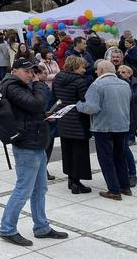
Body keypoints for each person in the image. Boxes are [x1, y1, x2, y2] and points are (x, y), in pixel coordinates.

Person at [0, 58, 68, 246]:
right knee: (23, 189)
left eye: (32, 71)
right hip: (26, 145)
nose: (31, 74)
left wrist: (46, 116)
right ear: (14, 71)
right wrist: (39, 84)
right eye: (27, 71)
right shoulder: (12, 87)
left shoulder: (24, 85)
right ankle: (7, 229)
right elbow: (37, 104)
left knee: (40, 189)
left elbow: (31, 110)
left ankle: (42, 227)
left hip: (36, 141)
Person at [76, 60, 132, 200]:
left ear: (100, 71)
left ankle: (114, 190)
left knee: (106, 159)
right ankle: (125, 186)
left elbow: (91, 108)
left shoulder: (97, 85)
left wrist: (78, 105)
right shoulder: (125, 84)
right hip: (123, 125)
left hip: (103, 127)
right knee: (120, 156)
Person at [51, 56, 92, 194]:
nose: (84, 70)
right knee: (79, 152)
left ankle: (70, 179)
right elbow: (84, 100)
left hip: (64, 116)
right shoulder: (79, 81)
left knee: (67, 150)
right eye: (82, 67)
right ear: (75, 67)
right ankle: (76, 183)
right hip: (78, 120)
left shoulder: (58, 78)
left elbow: (54, 95)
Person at [117, 65, 137, 187]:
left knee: (124, 147)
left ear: (130, 73)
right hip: (121, 119)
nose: (121, 73)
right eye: (119, 71)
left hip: (130, 119)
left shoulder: (133, 84)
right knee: (121, 147)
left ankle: (132, 173)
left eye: (123, 72)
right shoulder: (118, 84)